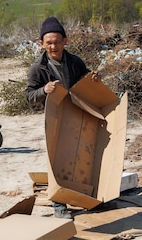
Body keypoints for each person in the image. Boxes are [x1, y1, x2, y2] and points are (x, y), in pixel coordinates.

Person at [25, 16, 101, 219]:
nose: (53, 46)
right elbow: (29, 97)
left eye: (57, 41)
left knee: (81, 160)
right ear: (42, 44)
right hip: (55, 120)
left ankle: (84, 199)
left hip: (77, 116)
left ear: (65, 41)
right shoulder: (37, 68)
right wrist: (44, 90)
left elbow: (85, 82)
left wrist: (94, 79)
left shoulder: (75, 62)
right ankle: (59, 205)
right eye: (49, 42)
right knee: (57, 163)